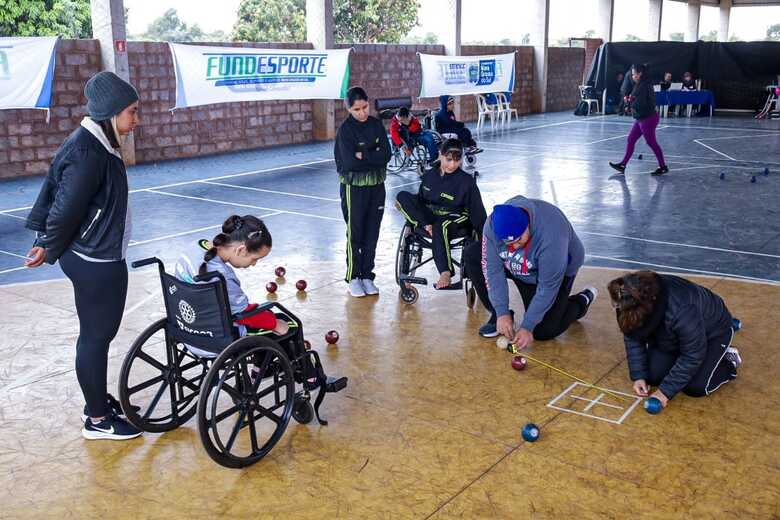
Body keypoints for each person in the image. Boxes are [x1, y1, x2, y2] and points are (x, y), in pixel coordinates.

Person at [24, 71, 142, 441]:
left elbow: (54, 186)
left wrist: (46, 239)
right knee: (95, 337)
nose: (137, 119)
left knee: (96, 335)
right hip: (96, 261)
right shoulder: (89, 151)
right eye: (132, 112)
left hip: (94, 254)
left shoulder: (94, 143)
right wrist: (48, 243)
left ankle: (97, 400)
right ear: (112, 113)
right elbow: (65, 206)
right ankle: (97, 419)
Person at [462, 197, 598, 348]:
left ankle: (581, 301)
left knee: (544, 331)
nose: (514, 246)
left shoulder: (552, 236)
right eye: (508, 243)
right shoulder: (492, 226)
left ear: (527, 225)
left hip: (554, 271)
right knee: (472, 255)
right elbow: (492, 270)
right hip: (518, 265)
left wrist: (527, 326)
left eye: (519, 239)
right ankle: (501, 317)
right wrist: (501, 311)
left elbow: (547, 287)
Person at [608, 271, 741, 409]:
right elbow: (632, 333)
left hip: (712, 332)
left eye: (615, 305)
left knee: (696, 387)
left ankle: (728, 361)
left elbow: (692, 355)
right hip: (674, 336)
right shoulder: (627, 298)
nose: (614, 307)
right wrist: (639, 376)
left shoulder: (682, 309)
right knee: (652, 376)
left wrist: (664, 393)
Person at [175, 215, 289, 338]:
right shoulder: (223, 277)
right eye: (254, 259)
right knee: (289, 323)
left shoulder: (193, 247)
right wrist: (275, 324)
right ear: (241, 250)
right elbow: (244, 314)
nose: (254, 264)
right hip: (216, 337)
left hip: (187, 330)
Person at [395, 138, 487, 289]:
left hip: (456, 217)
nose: (452, 165)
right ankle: (426, 225)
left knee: (440, 226)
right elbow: (420, 201)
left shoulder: (466, 182)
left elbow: (478, 213)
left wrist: (485, 240)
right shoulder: (429, 176)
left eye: (457, 160)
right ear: (440, 155)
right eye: (449, 159)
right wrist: (423, 219)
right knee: (402, 196)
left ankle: (445, 272)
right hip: (431, 216)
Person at [334, 86, 391, 297]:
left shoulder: (376, 125)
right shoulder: (345, 131)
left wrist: (363, 154)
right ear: (349, 109)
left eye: (365, 107)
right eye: (356, 109)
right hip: (354, 189)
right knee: (355, 233)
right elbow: (349, 163)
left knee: (372, 232)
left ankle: (367, 275)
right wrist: (373, 154)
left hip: (377, 186)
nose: (362, 112)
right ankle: (353, 277)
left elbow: (386, 155)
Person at [609, 64, 669, 176]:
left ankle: (663, 166)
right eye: (632, 75)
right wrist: (629, 100)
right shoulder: (639, 84)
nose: (633, 77)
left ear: (640, 73)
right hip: (641, 117)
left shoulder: (644, 85)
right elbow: (636, 99)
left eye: (634, 74)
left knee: (651, 142)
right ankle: (623, 165)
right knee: (631, 139)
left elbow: (640, 103)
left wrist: (629, 102)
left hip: (648, 118)